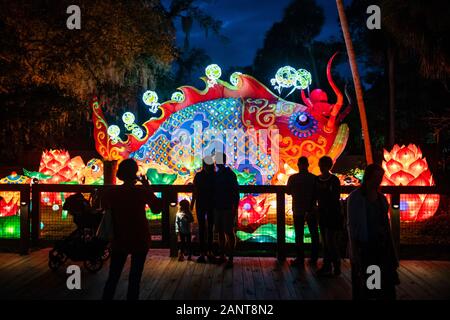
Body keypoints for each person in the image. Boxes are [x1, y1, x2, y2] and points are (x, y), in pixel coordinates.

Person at [101, 159, 162, 300]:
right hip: (139, 238)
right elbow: (157, 209)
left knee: (113, 277)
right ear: (135, 173)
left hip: (119, 238)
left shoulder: (112, 193)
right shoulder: (141, 192)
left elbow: (104, 206)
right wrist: (147, 188)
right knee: (135, 279)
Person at [347, 164, 399, 300]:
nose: (377, 181)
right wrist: (353, 250)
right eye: (375, 177)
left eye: (379, 178)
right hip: (365, 246)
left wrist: (392, 251)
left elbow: (386, 225)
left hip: (381, 246)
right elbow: (351, 225)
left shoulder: (381, 199)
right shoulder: (355, 198)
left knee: (385, 284)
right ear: (368, 178)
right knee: (370, 283)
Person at [286, 156, 319, 267]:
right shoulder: (314, 178)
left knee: (299, 234)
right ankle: (314, 258)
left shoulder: (293, 178)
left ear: (298, 165)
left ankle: (300, 258)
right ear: (308, 165)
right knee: (314, 234)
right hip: (311, 209)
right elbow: (316, 194)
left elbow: (288, 192)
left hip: (298, 209)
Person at [315, 156, 342, 276]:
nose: (321, 167)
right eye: (320, 165)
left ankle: (333, 264)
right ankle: (330, 265)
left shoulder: (334, 180)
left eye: (322, 165)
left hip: (332, 213)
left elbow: (334, 197)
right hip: (322, 213)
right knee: (326, 240)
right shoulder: (317, 180)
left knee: (330, 240)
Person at [213, 152, 239, 268]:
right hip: (221, 206)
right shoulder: (224, 174)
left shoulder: (227, 174)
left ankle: (229, 257)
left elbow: (235, 192)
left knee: (227, 232)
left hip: (226, 207)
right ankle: (225, 256)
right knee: (223, 232)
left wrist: (235, 207)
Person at [191, 156, 215, 263]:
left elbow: (195, 191)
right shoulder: (214, 175)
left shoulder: (199, 176)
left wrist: (192, 204)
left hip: (202, 203)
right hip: (210, 203)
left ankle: (204, 253)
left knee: (204, 228)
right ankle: (208, 251)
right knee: (208, 228)